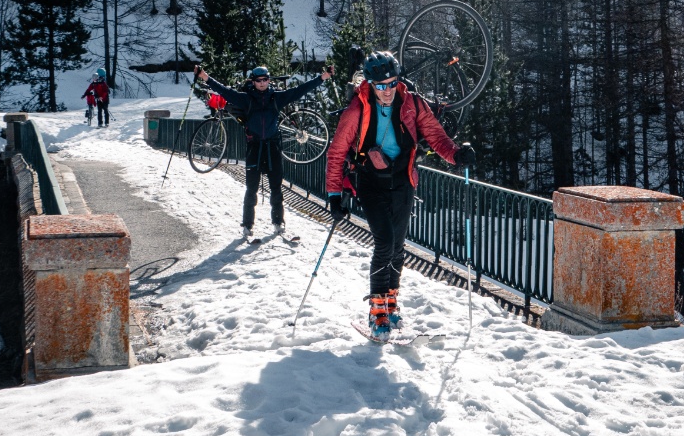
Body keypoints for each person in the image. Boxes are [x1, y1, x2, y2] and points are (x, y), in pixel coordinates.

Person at [325, 50, 475, 338]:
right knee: (384, 242)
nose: (387, 90)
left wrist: (456, 155)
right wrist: (334, 194)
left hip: (403, 181)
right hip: (370, 182)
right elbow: (337, 152)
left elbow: (435, 135)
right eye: (380, 85)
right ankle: (376, 310)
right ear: (369, 83)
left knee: (398, 246)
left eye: (391, 83)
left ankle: (391, 302)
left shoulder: (412, 103)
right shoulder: (357, 108)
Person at [195, 63, 335, 240]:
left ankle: (278, 222)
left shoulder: (276, 98)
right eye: (258, 80)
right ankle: (247, 225)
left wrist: (322, 77)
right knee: (251, 188)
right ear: (253, 82)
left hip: (273, 148)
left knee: (276, 187)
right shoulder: (246, 99)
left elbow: (300, 90)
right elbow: (224, 91)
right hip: (254, 148)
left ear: (269, 80)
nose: (262, 83)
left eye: (265, 80)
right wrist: (205, 76)